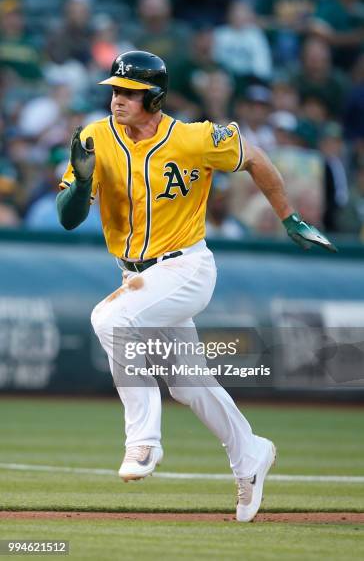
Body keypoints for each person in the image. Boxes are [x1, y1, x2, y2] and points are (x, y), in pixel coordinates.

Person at [56, 50, 336, 522]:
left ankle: (143, 441)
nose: (118, 100)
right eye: (115, 91)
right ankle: (251, 453)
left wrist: (288, 217)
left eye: (130, 93)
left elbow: (256, 159)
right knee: (190, 384)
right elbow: (69, 218)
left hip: (186, 267)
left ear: (156, 97)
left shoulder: (194, 138)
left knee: (109, 318)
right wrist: (81, 184)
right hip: (136, 274)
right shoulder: (94, 137)